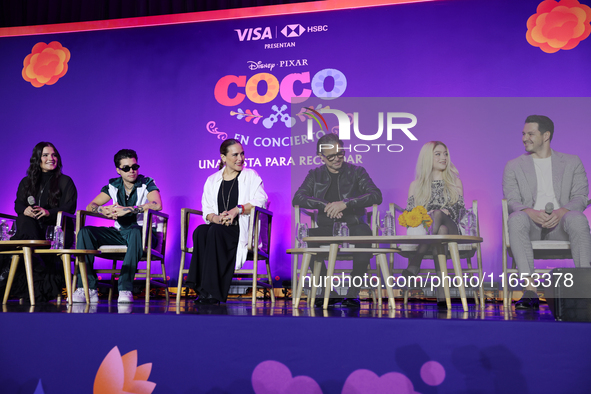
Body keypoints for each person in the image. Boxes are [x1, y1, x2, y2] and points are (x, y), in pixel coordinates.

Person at [503, 115, 591, 309]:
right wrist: (530, 212)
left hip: (562, 224)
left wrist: (562, 212)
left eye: (530, 134)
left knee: (577, 218)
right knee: (516, 218)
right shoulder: (514, 166)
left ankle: (586, 287)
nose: (525, 137)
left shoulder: (571, 162)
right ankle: (530, 290)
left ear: (546, 136)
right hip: (531, 224)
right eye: (523, 133)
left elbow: (580, 197)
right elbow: (512, 201)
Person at [292, 133, 383, 307]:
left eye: (340, 154)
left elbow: (376, 195)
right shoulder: (315, 174)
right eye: (331, 156)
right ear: (321, 157)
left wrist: (345, 204)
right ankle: (328, 290)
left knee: (365, 235)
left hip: (354, 225)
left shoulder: (357, 172)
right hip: (327, 227)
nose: (337, 159)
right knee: (307, 239)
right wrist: (326, 205)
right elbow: (298, 198)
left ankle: (353, 291)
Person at [185, 139, 268, 305]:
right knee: (200, 231)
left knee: (214, 232)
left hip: (240, 229)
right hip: (220, 228)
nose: (240, 158)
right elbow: (207, 209)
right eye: (235, 154)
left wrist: (237, 210)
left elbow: (261, 200)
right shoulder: (212, 179)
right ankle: (201, 288)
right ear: (223, 157)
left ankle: (213, 292)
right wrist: (217, 218)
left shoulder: (250, 175)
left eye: (242, 154)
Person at [74, 149, 162, 304]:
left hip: (144, 236)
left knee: (136, 231)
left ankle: (125, 288)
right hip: (120, 233)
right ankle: (87, 287)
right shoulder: (113, 185)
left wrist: (128, 210)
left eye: (135, 166)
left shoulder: (147, 182)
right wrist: (102, 210)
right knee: (85, 232)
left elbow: (157, 204)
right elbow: (91, 206)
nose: (132, 171)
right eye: (127, 168)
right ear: (118, 170)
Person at [0, 142, 77, 303]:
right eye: (46, 155)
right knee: (24, 218)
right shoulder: (26, 182)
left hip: (55, 231)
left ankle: (31, 267)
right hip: (32, 230)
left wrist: (49, 212)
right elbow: (18, 204)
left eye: (54, 155)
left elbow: (70, 207)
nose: (51, 158)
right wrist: (25, 210)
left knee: (19, 235)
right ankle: (38, 265)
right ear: (37, 159)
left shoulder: (65, 181)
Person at [404, 141, 465, 280]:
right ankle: (442, 295)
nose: (443, 157)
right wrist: (425, 216)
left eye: (445, 154)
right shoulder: (415, 185)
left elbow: (459, 209)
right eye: (438, 154)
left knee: (439, 215)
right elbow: (410, 216)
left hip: (453, 230)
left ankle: (416, 260)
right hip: (429, 231)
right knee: (440, 229)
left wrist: (446, 211)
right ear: (427, 158)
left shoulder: (455, 182)